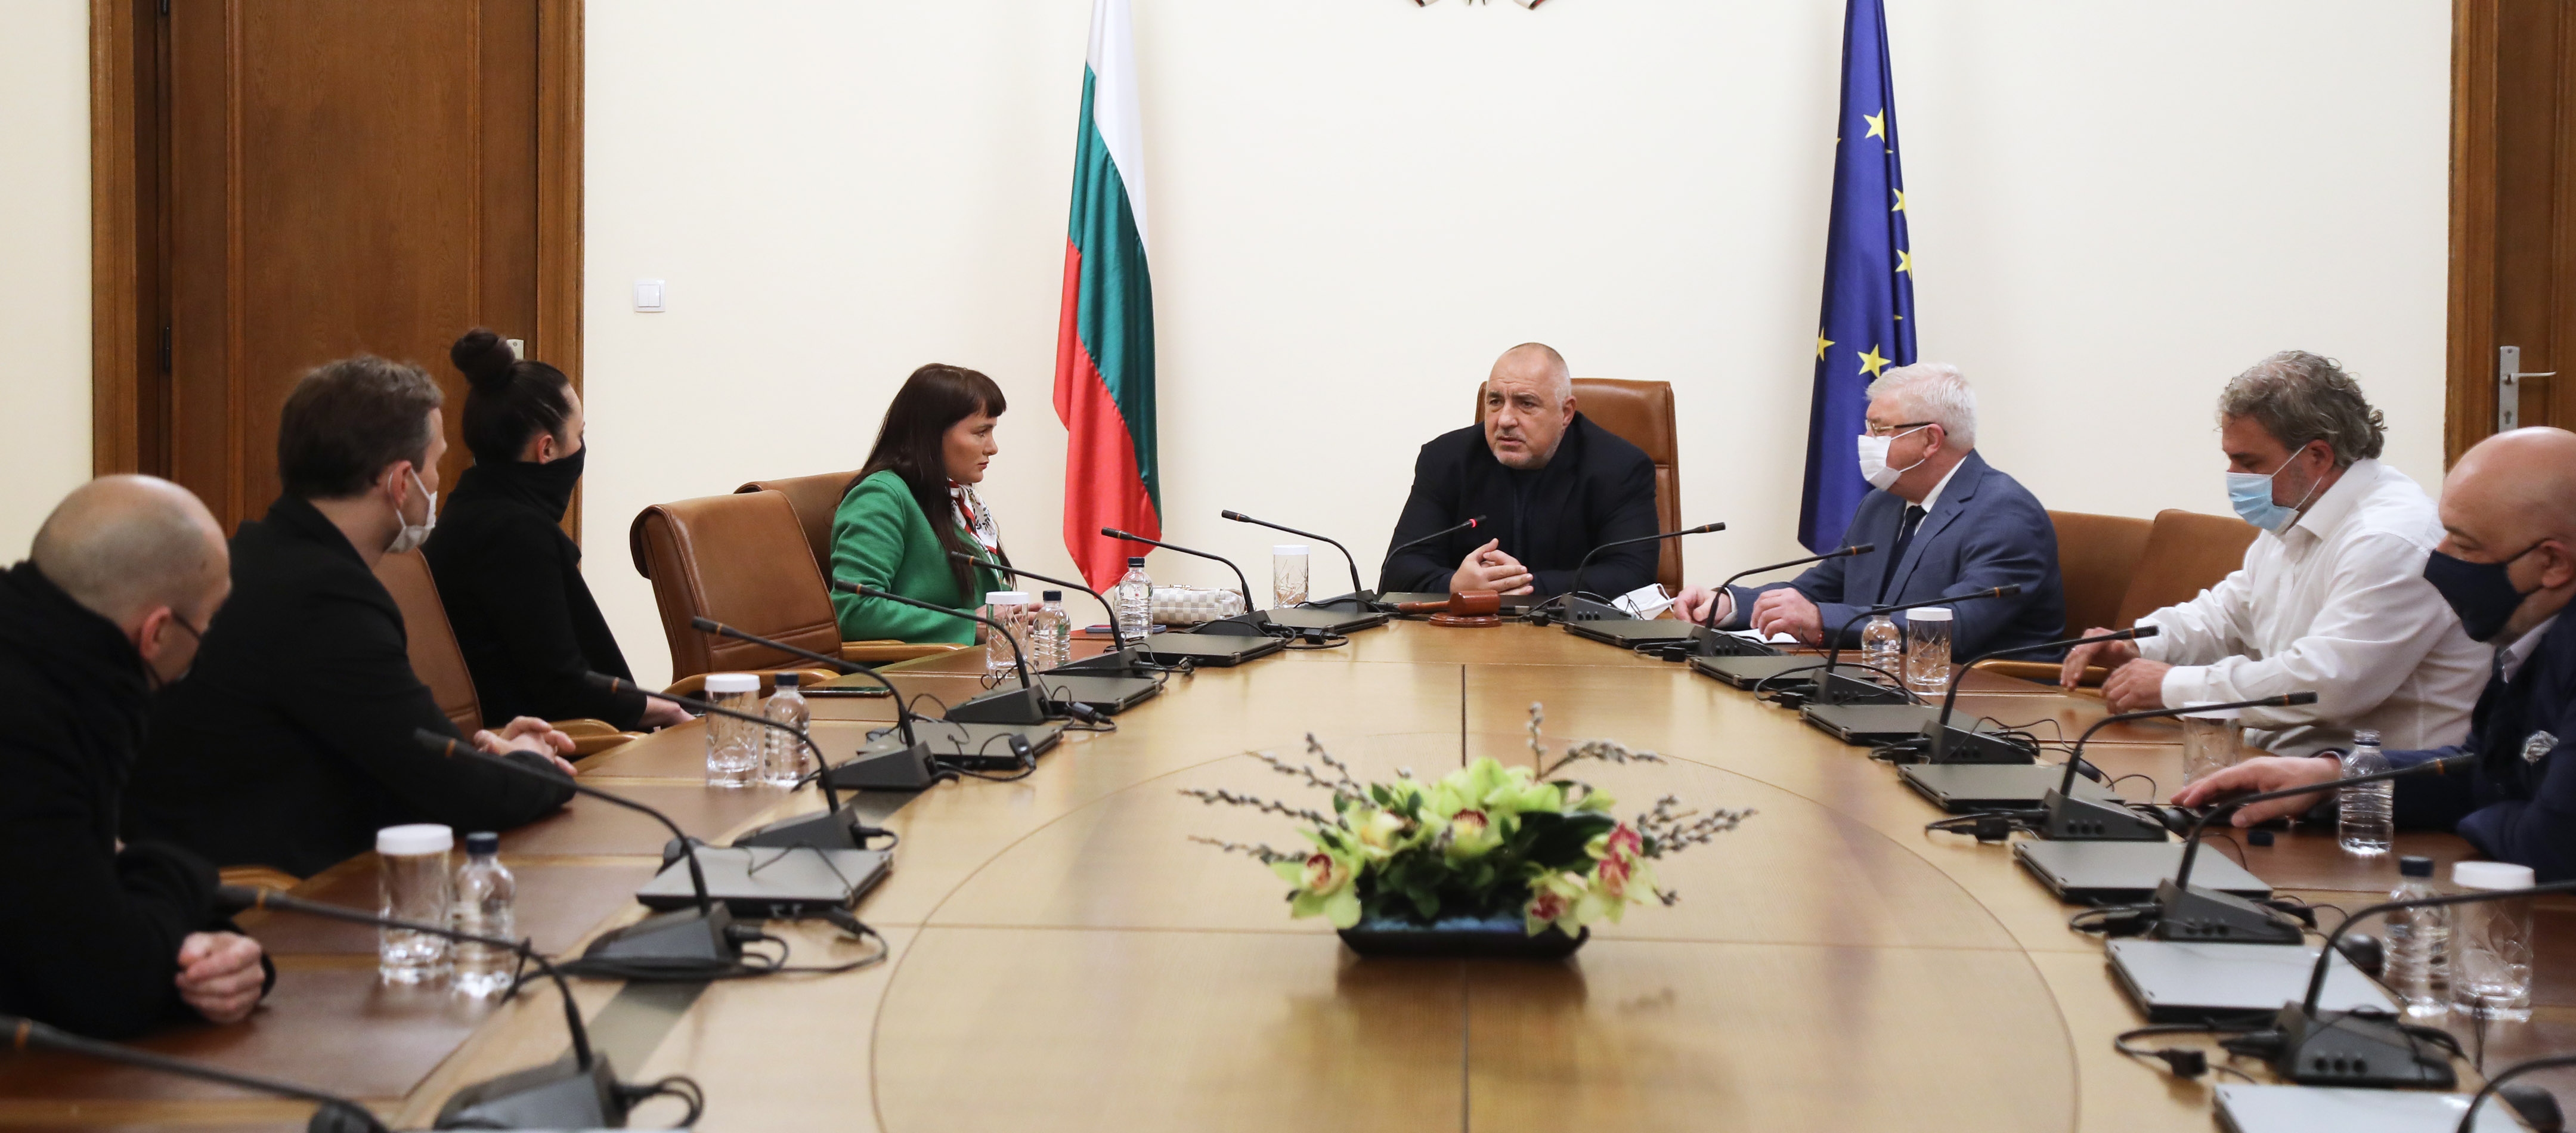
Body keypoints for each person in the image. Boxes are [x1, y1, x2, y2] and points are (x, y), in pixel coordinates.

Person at [125, 356, 578, 878]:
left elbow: (393, 744)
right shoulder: (324, 598)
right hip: (270, 903)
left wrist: (484, 755)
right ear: (402, 481)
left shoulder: (256, 557)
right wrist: (531, 759)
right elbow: (460, 793)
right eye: (435, 463)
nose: (439, 479)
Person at [2175, 427, 2576, 879]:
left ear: (2553, 564)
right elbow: (2481, 771)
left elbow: (2554, 846)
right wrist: (2334, 778)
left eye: (2464, 546)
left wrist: (2494, 808)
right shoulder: (2531, 633)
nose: (2437, 558)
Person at [2060, 351, 2484, 756]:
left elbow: (2326, 684)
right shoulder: (2299, 512)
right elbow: (2226, 615)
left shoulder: (2390, 538)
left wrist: (2173, 686)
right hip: (2281, 765)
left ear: (2317, 457)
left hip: (2371, 789)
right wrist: (2140, 645)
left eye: (2249, 463)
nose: (2233, 477)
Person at [0, 476, 271, 1038]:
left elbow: (87, 909)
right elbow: (103, 984)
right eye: (208, 623)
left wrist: (223, 951)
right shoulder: (29, 725)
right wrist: (188, 875)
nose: (206, 643)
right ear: (158, 634)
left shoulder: (46, 661)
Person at [1675, 363, 2064, 655]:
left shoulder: (2006, 515)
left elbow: (1954, 627)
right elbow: (1820, 588)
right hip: (1884, 684)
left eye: (1879, 429)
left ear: (1930, 440)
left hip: (1989, 703)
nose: (1864, 439)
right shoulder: (1884, 502)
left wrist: (1821, 620)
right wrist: (1729, 604)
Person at [422, 329, 688, 732]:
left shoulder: (469, 509)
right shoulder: (515, 536)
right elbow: (563, 689)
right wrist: (664, 710)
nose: (581, 447)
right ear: (546, 449)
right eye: (579, 435)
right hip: (547, 750)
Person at [1382, 343, 1659, 600]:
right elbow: (1398, 570)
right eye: (1495, 401)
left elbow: (1633, 576)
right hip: (1467, 630)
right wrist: (1454, 585)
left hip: (1571, 632)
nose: (1505, 419)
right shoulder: (1446, 460)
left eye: (1526, 403)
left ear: (1566, 413)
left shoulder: (1619, 468)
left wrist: (1523, 586)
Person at [829, 363, 1012, 643]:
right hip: (909, 667)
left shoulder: (957, 497)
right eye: (981, 433)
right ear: (933, 434)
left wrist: (1015, 616)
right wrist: (968, 626)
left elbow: (980, 599)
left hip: (970, 661)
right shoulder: (880, 497)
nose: (993, 448)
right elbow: (853, 611)